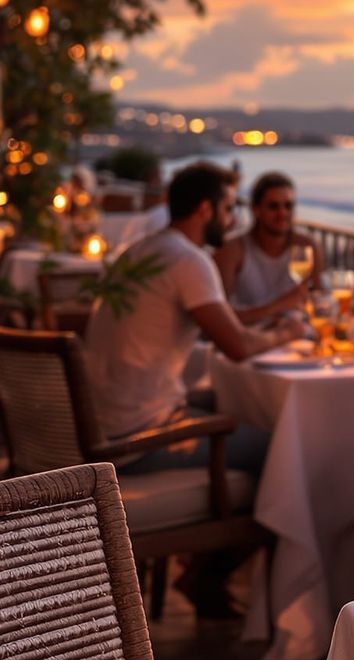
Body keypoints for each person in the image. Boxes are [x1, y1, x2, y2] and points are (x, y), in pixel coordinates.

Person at [84, 162, 296, 614]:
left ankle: (201, 571)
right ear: (205, 209)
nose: (233, 219)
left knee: (226, 403)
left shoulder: (141, 251)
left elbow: (224, 328)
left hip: (99, 425)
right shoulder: (189, 259)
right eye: (228, 208)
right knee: (285, 448)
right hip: (135, 441)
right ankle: (208, 575)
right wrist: (290, 334)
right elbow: (237, 346)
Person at [215, 170, 323, 325]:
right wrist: (281, 304)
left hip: (296, 338)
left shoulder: (307, 247)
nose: (282, 213)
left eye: (288, 206)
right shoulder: (232, 250)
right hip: (249, 341)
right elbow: (219, 319)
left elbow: (320, 305)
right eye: (273, 206)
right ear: (256, 209)